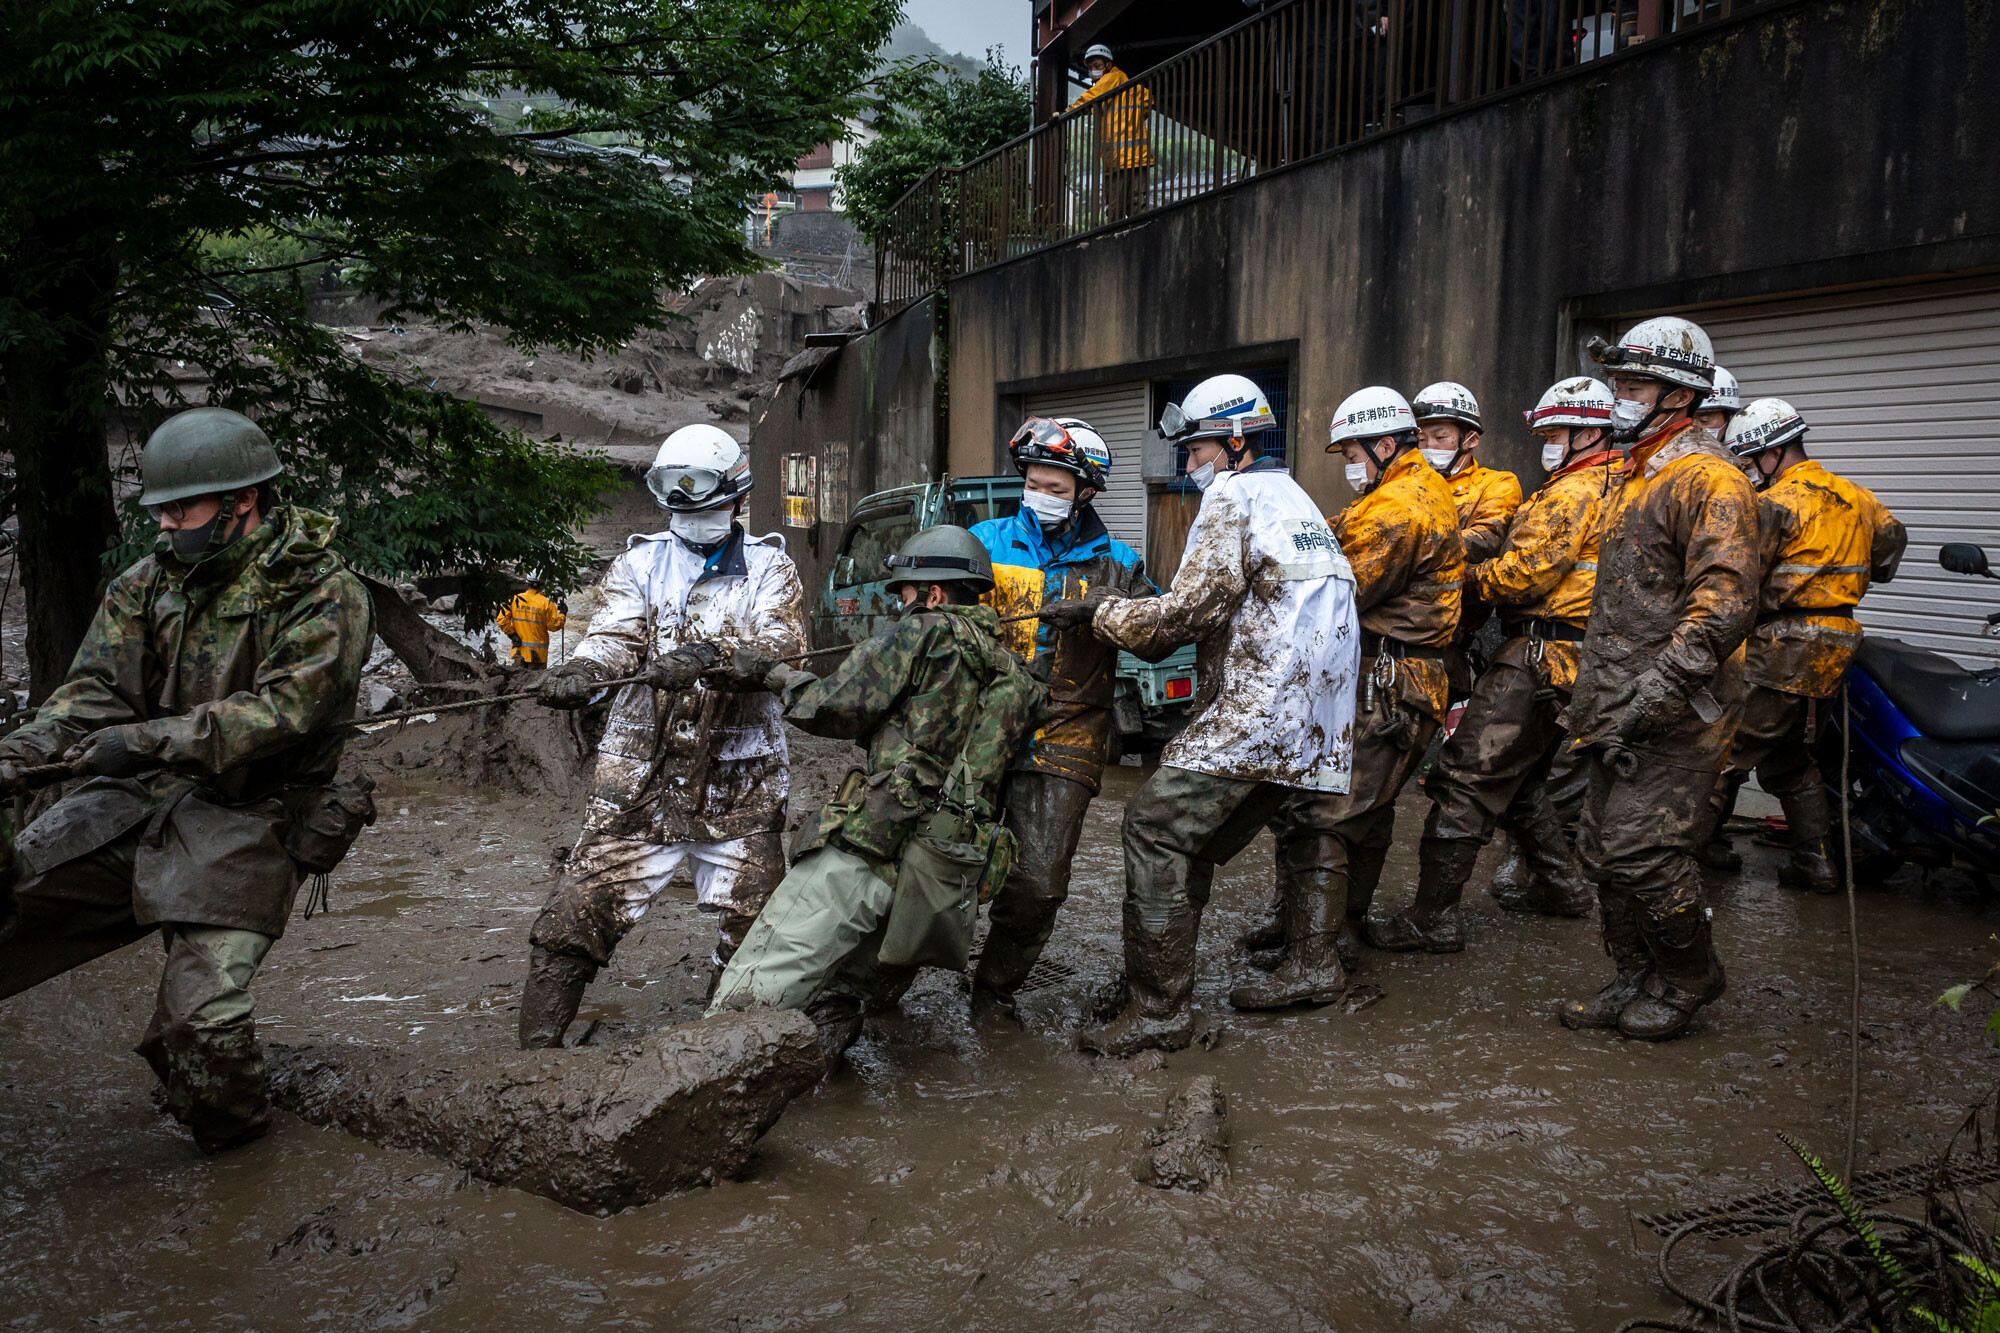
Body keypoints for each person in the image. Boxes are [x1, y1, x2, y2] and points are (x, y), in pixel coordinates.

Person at [0, 407, 373, 1151]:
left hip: (250, 817)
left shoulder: (325, 593)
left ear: (243, 501)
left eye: (180, 508)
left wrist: (142, 739)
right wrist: (16, 755)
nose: (165, 524)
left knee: (200, 1026)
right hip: (134, 803)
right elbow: (89, 695)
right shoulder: (147, 583)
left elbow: (282, 715)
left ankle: (239, 1169)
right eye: (161, 510)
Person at [1067, 373, 1360, 1054]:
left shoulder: (1234, 494)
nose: (1189, 464)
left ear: (1233, 441)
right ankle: (1268, 966)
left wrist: (1102, 615)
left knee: (1154, 826)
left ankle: (1159, 1007)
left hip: (1263, 705)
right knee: (1241, 831)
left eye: (1195, 449)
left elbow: (1189, 613)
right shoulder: (1297, 500)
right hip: (1320, 720)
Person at [703, 527, 1044, 1058]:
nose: (900, 603)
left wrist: (772, 674)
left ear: (933, 594)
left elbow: (830, 706)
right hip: (939, 873)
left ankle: (705, 1079)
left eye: (904, 592)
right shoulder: (1017, 677)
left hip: (873, 841)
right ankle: (820, 1073)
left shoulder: (921, 634)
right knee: (844, 993)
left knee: (761, 979)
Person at [519, 425, 806, 1047]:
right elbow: (614, 637)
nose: (692, 519)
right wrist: (581, 671)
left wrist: (710, 655)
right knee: (576, 912)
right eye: (680, 508)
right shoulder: (639, 561)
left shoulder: (769, 567)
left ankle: (723, 1051)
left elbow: (781, 645)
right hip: (636, 783)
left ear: (735, 498)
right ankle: (534, 1058)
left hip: (739, 784)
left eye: (703, 507)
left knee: (756, 932)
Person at [1369, 378, 1620, 950]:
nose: (1546, 445)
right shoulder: (1614, 486)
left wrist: (1445, 580)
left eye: (1555, 433)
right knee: (1522, 776)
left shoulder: (1571, 493)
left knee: (1465, 775)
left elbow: (1521, 573)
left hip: (1540, 651)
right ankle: (1561, 886)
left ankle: (1433, 917)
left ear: (1587, 433)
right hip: (1575, 652)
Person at [1562, 316, 1759, 1042]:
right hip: (1616, 700)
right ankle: (1633, 974)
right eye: (1618, 381)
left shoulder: (1710, 479)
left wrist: (1660, 690)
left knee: (1644, 849)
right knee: (1600, 850)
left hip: (1677, 707)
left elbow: (1726, 602)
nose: (1621, 395)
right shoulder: (1638, 474)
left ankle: (1687, 975)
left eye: (1636, 383)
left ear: (1679, 395)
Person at [1252, 386, 1461, 971]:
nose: (1348, 465)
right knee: (1365, 813)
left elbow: (1335, 588)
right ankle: (1330, 928)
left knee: (1324, 813)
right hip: (1390, 676)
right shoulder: (1396, 492)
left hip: (1390, 681)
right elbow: (1329, 531)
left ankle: (1312, 962)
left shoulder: (1402, 508)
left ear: (1385, 445)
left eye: (1352, 453)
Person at [966, 416, 1157, 1022]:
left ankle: (993, 987)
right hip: (980, 723)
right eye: (1034, 482)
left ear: (1086, 492)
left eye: (1056, 486)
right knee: (935, 857)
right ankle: (888, 977)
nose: (1040, 495)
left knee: (1039, 880)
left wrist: (1109, 611)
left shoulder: (1118, 562)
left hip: (1069, 731)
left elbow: (1160, 636)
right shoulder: (984, 541)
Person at [1713, 397, 1906, 893]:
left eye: (1750, 461)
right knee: (1791, 757)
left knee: (1724, 750)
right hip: (1838, 642)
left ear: (1771, 453)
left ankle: (1683, 852)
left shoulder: (1774, 504)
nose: (1750, 472)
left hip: (1782, 641)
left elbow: (1740, 575)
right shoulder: (1860, 498)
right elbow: (1888, 552)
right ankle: (1815, 861)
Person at [1068, 43, 1154, 223]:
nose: (1094, 71)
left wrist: (1067, 113)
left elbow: (1090, 97)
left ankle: (1116, 241)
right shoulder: (1131, 87)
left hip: (1118, 159)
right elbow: (1148, 101)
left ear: (1108, 65)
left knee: (1115, 209)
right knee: (1138, 206)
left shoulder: (1112, 78)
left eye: (1097, 66)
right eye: (1091, 67)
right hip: (1138, 157)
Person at [495, 577, 567, 667]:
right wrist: (562, 614)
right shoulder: (547, 603)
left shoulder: (515, 599)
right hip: (538, 655)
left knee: (517, 679)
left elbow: (502, 620)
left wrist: (512, 635)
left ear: (527, 584)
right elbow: (553, 626)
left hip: (518, 653)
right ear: (542, 585)